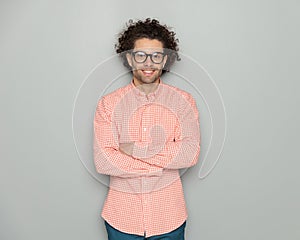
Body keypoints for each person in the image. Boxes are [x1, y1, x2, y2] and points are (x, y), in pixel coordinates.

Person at [93, 18, 200, 240]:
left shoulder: (184, 102)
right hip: (121, 219)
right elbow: (104, 160)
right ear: (130, 58)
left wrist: (135, 150)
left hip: (169, 218)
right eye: (140, 55)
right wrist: (161, 162)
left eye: (156, 56)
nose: (148, 63)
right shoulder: (108, 105)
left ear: (165, 60)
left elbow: (189, 154)